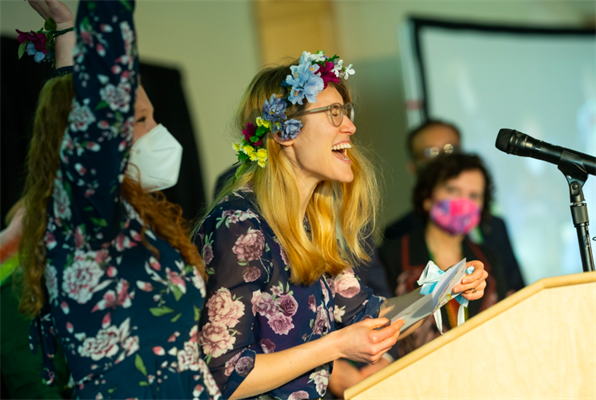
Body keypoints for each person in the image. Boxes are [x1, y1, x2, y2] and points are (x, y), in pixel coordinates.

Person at [194, 52, 488, 400]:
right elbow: (225, 375)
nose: (350, 126)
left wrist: (445, 288)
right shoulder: (238, 225)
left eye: (346, 113)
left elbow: (370, 313)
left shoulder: (308, 223)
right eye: (334, 113)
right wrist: (334, 346)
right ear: (285, 131)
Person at [17, 0, 219, 398]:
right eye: (141, 120)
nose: (157, 130)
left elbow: (76, 97)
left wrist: (67, 25)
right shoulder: (82, 217)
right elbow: (93, 102)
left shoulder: (127, 217)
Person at [379, 153, 509, 357]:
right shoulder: (392, 254)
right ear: (427, 197)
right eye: (452, 190)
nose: (463, 202)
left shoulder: (488, 258)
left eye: (474, 196)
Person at [384, 120, 525, 293]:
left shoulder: (490, 248)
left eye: (451, 149)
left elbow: (515, 291)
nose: (445, 159)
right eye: (431, 153)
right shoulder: (395, 245)